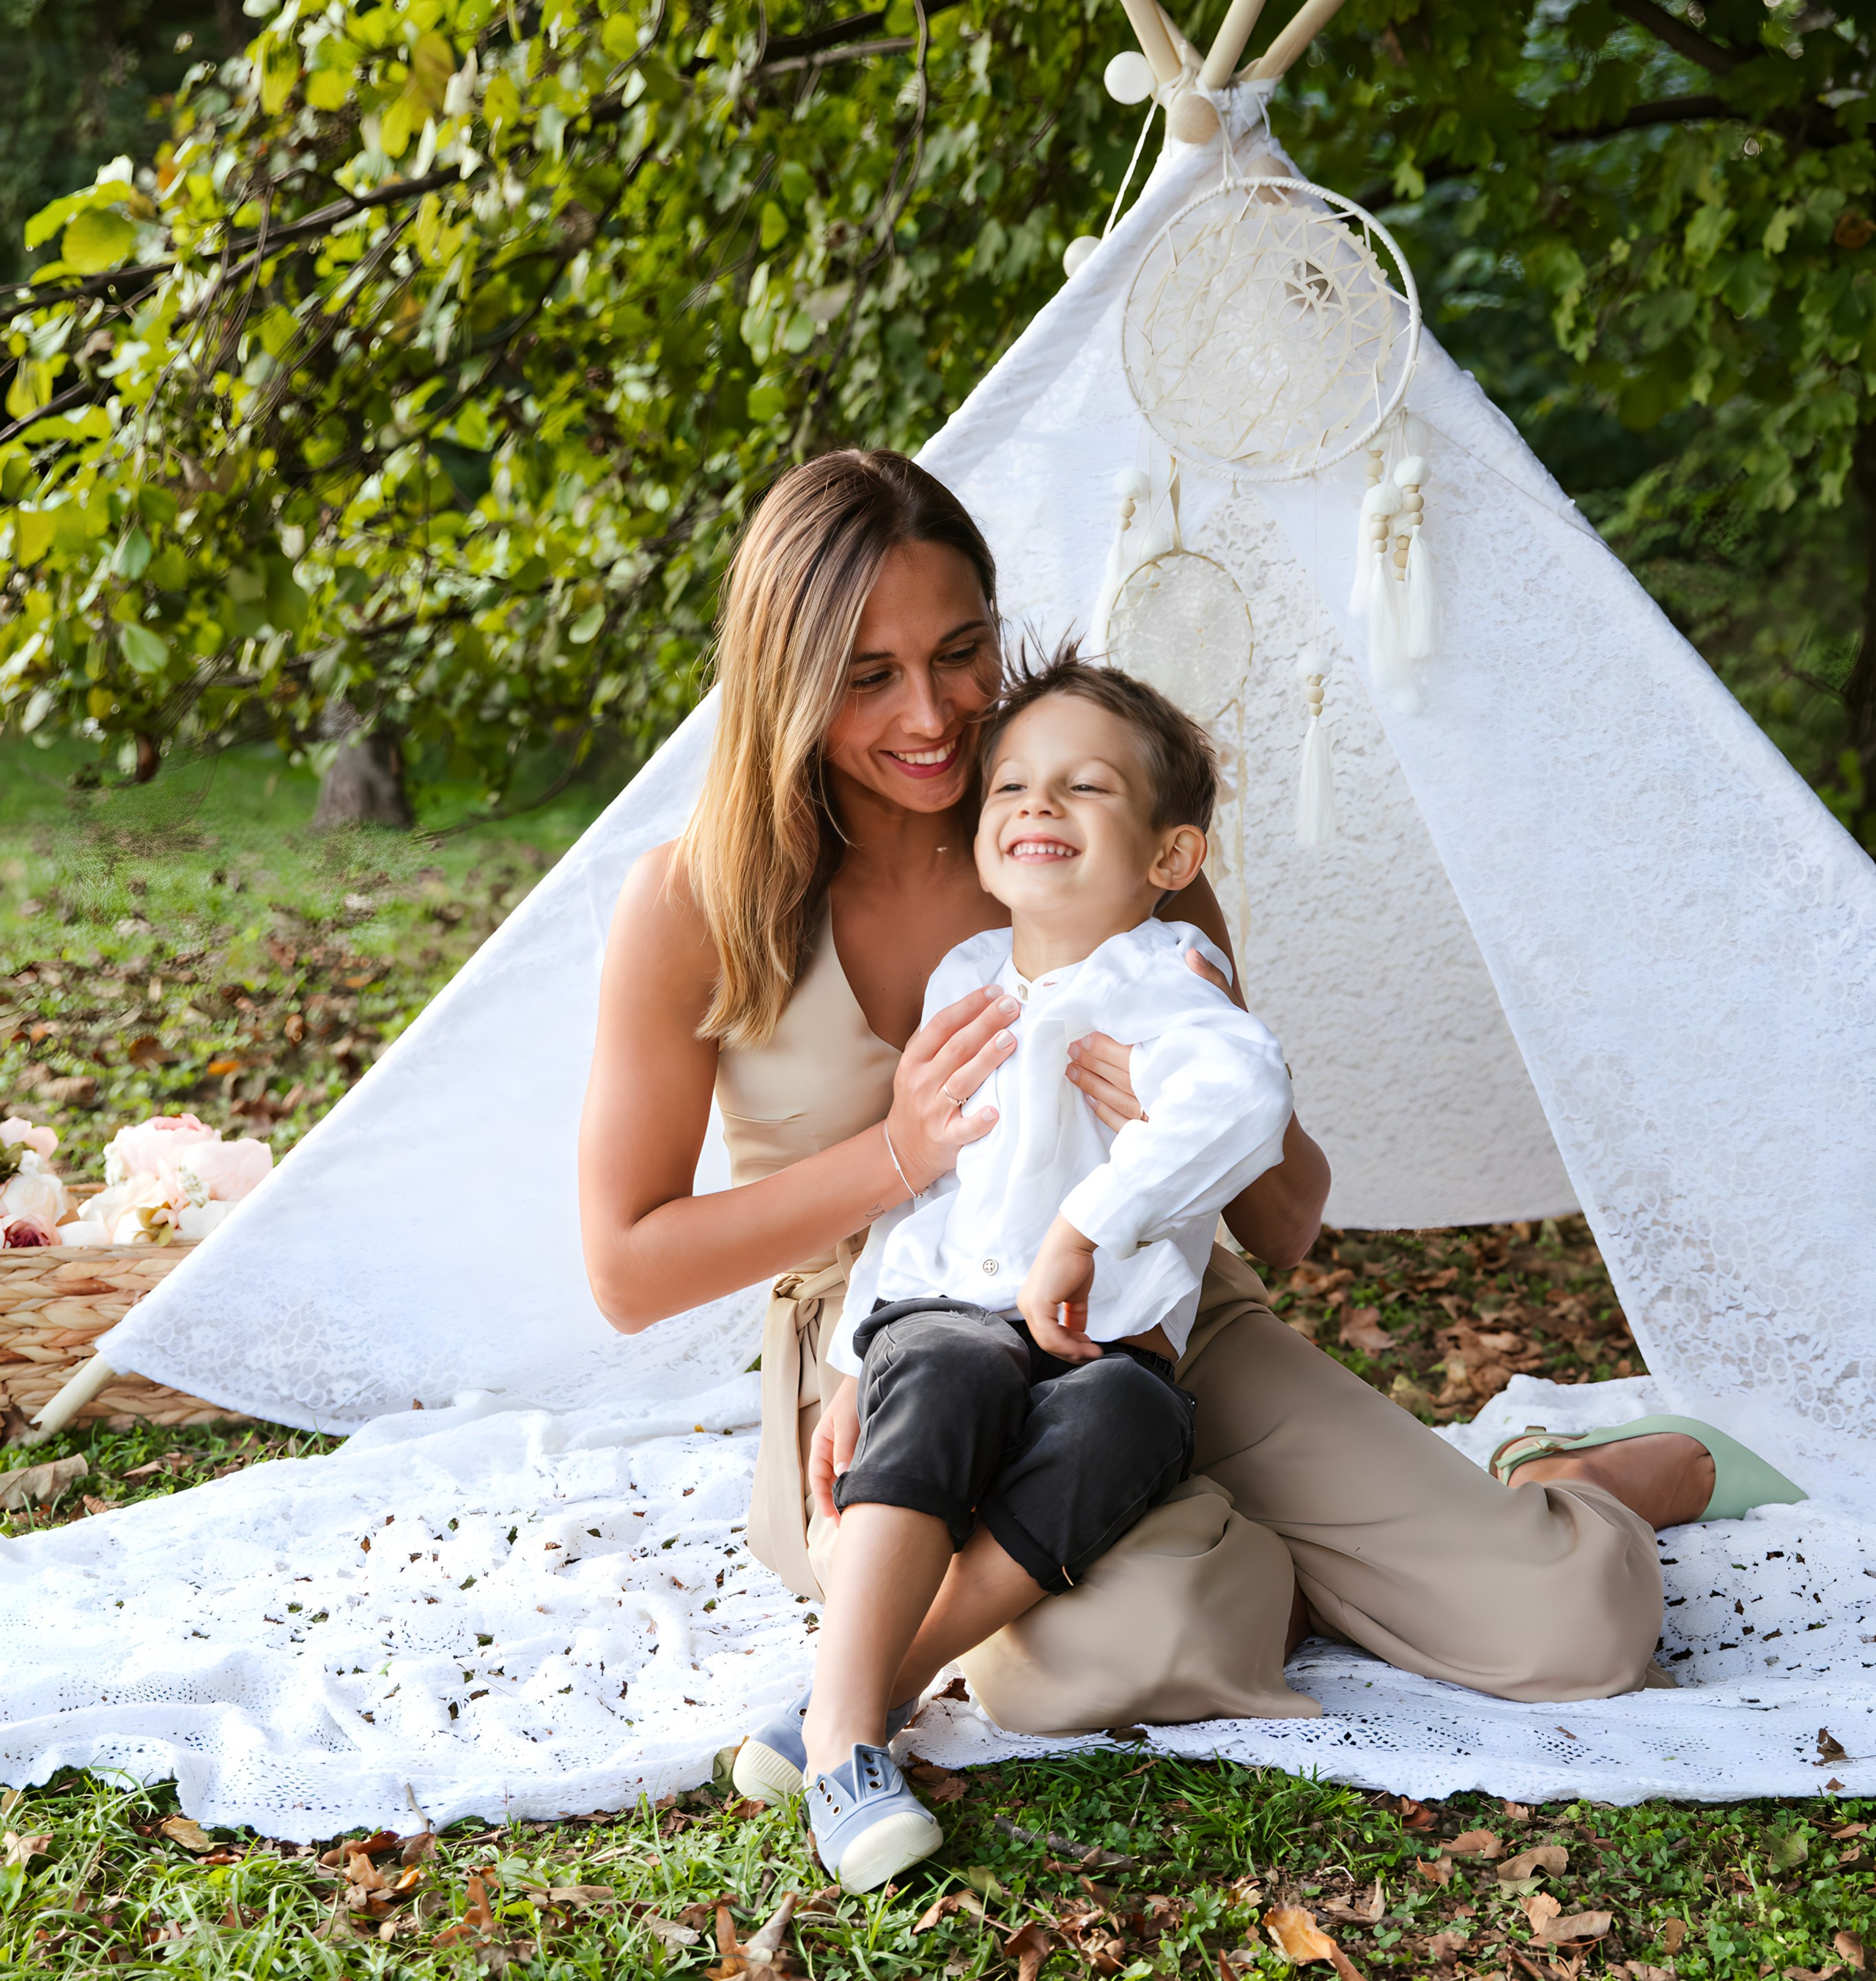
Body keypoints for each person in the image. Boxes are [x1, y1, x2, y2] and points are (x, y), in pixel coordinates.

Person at [580, 447, 1777, 1785]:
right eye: (870, 676)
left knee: (1578, 1625)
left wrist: (1175, 1122)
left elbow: (1290, 1216)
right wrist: (897, 1155)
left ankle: (1547, 1484)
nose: (934, 714)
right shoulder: (696, 899)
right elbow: (628, 1268)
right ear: (788, 677)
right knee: (1096, 1656)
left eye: (964, 651)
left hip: (1155, 1316)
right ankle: (1273, 1553)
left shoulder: (1083, 820)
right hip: (895, 1362)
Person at [731, 645, 1297, 1888]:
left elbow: (1246, 1098)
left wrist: (1092, 1221)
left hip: (1098, 1341)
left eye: (1084, 788)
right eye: (1011, 787)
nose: (1037, 805)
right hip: (948, 1312)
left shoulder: (1171, 980)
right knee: (942, 1379)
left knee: (1130, 1424)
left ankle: (862, 1693)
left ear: (1169, 859)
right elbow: (924, 1189)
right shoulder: (966, 978)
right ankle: (846, 1734)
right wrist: (848, 1360)